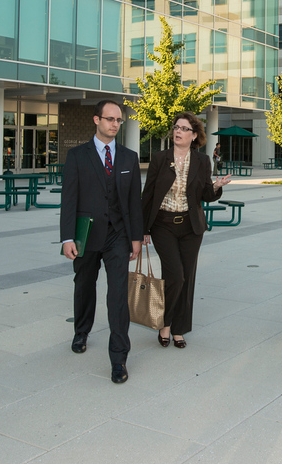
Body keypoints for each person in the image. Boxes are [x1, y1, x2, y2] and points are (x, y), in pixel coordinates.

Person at [60, 100, 143, 384]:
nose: (115, 125)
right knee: (84, 286)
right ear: (96, 119)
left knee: (118, 296)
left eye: (118, 120)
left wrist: (135, 237)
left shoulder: (129, 157)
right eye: (110, 119)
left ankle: (119, 358)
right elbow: (69, 199)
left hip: (118, 236)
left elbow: (134, 201)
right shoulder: (77, 156)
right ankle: (81, 330)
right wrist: (67, 238)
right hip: (87, 234)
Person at [142, 113, 232, 349]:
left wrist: (217, 186)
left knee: (187, 278)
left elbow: (205, 195)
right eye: (176, 127)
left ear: (194, 136)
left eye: (184, 128)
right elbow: (148, 194)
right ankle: (165, 323)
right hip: (163, 225)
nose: (177, 132)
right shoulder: (160, 158)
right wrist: (142, 229)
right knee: (175, 275)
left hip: (191, 227)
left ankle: (179, 329)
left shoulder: (202, 161)